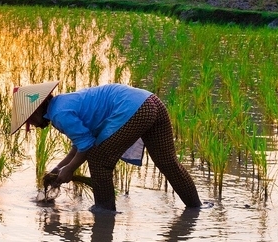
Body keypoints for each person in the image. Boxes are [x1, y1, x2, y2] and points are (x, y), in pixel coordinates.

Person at [12, 81, 201, 212]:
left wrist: (70, 170)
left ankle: (104, 213)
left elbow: (87, 146)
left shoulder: (59, 114)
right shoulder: (62, 104)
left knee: (99, 160)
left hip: (134, 109)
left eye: (30, 120)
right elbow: (79, 145)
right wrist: (59, 168)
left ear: (37, 110)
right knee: (168, 163)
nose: (34, 125)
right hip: (151, 102)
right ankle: (195, 209)